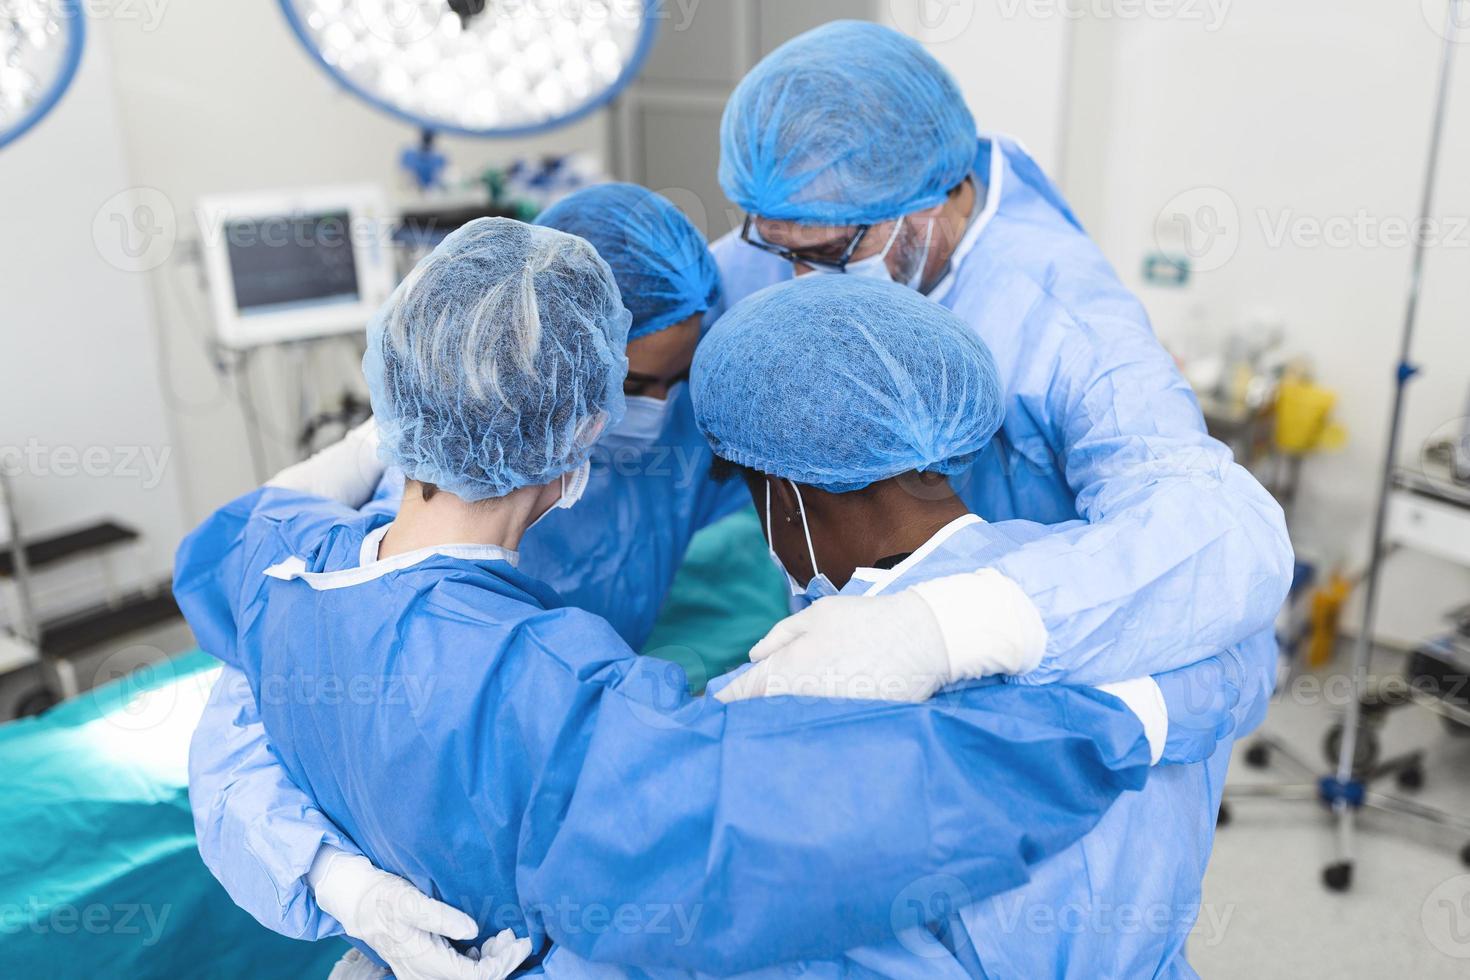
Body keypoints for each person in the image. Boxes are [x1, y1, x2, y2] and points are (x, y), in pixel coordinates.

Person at [175, 218, 1163, 979]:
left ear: (398, 392)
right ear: (579, 432)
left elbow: (219, 540)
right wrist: (1108, 724)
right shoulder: (541, 681)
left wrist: (338, 884)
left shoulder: (278, 570)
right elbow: (784, 827)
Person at [706, 21, 1293, 976]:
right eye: (780, 252)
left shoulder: (1061, 319)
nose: (795, 277)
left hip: (1050, 700)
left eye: (821, 252)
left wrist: (952, 627)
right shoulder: (816, 226)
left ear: (936, 201)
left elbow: (1224, 548)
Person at [184, 185, 750, 969]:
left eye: (674, 381)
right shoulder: (436, 487)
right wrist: (342, 883)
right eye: (629, 386)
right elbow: (238, 742)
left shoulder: (677, 428)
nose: (655, 409)